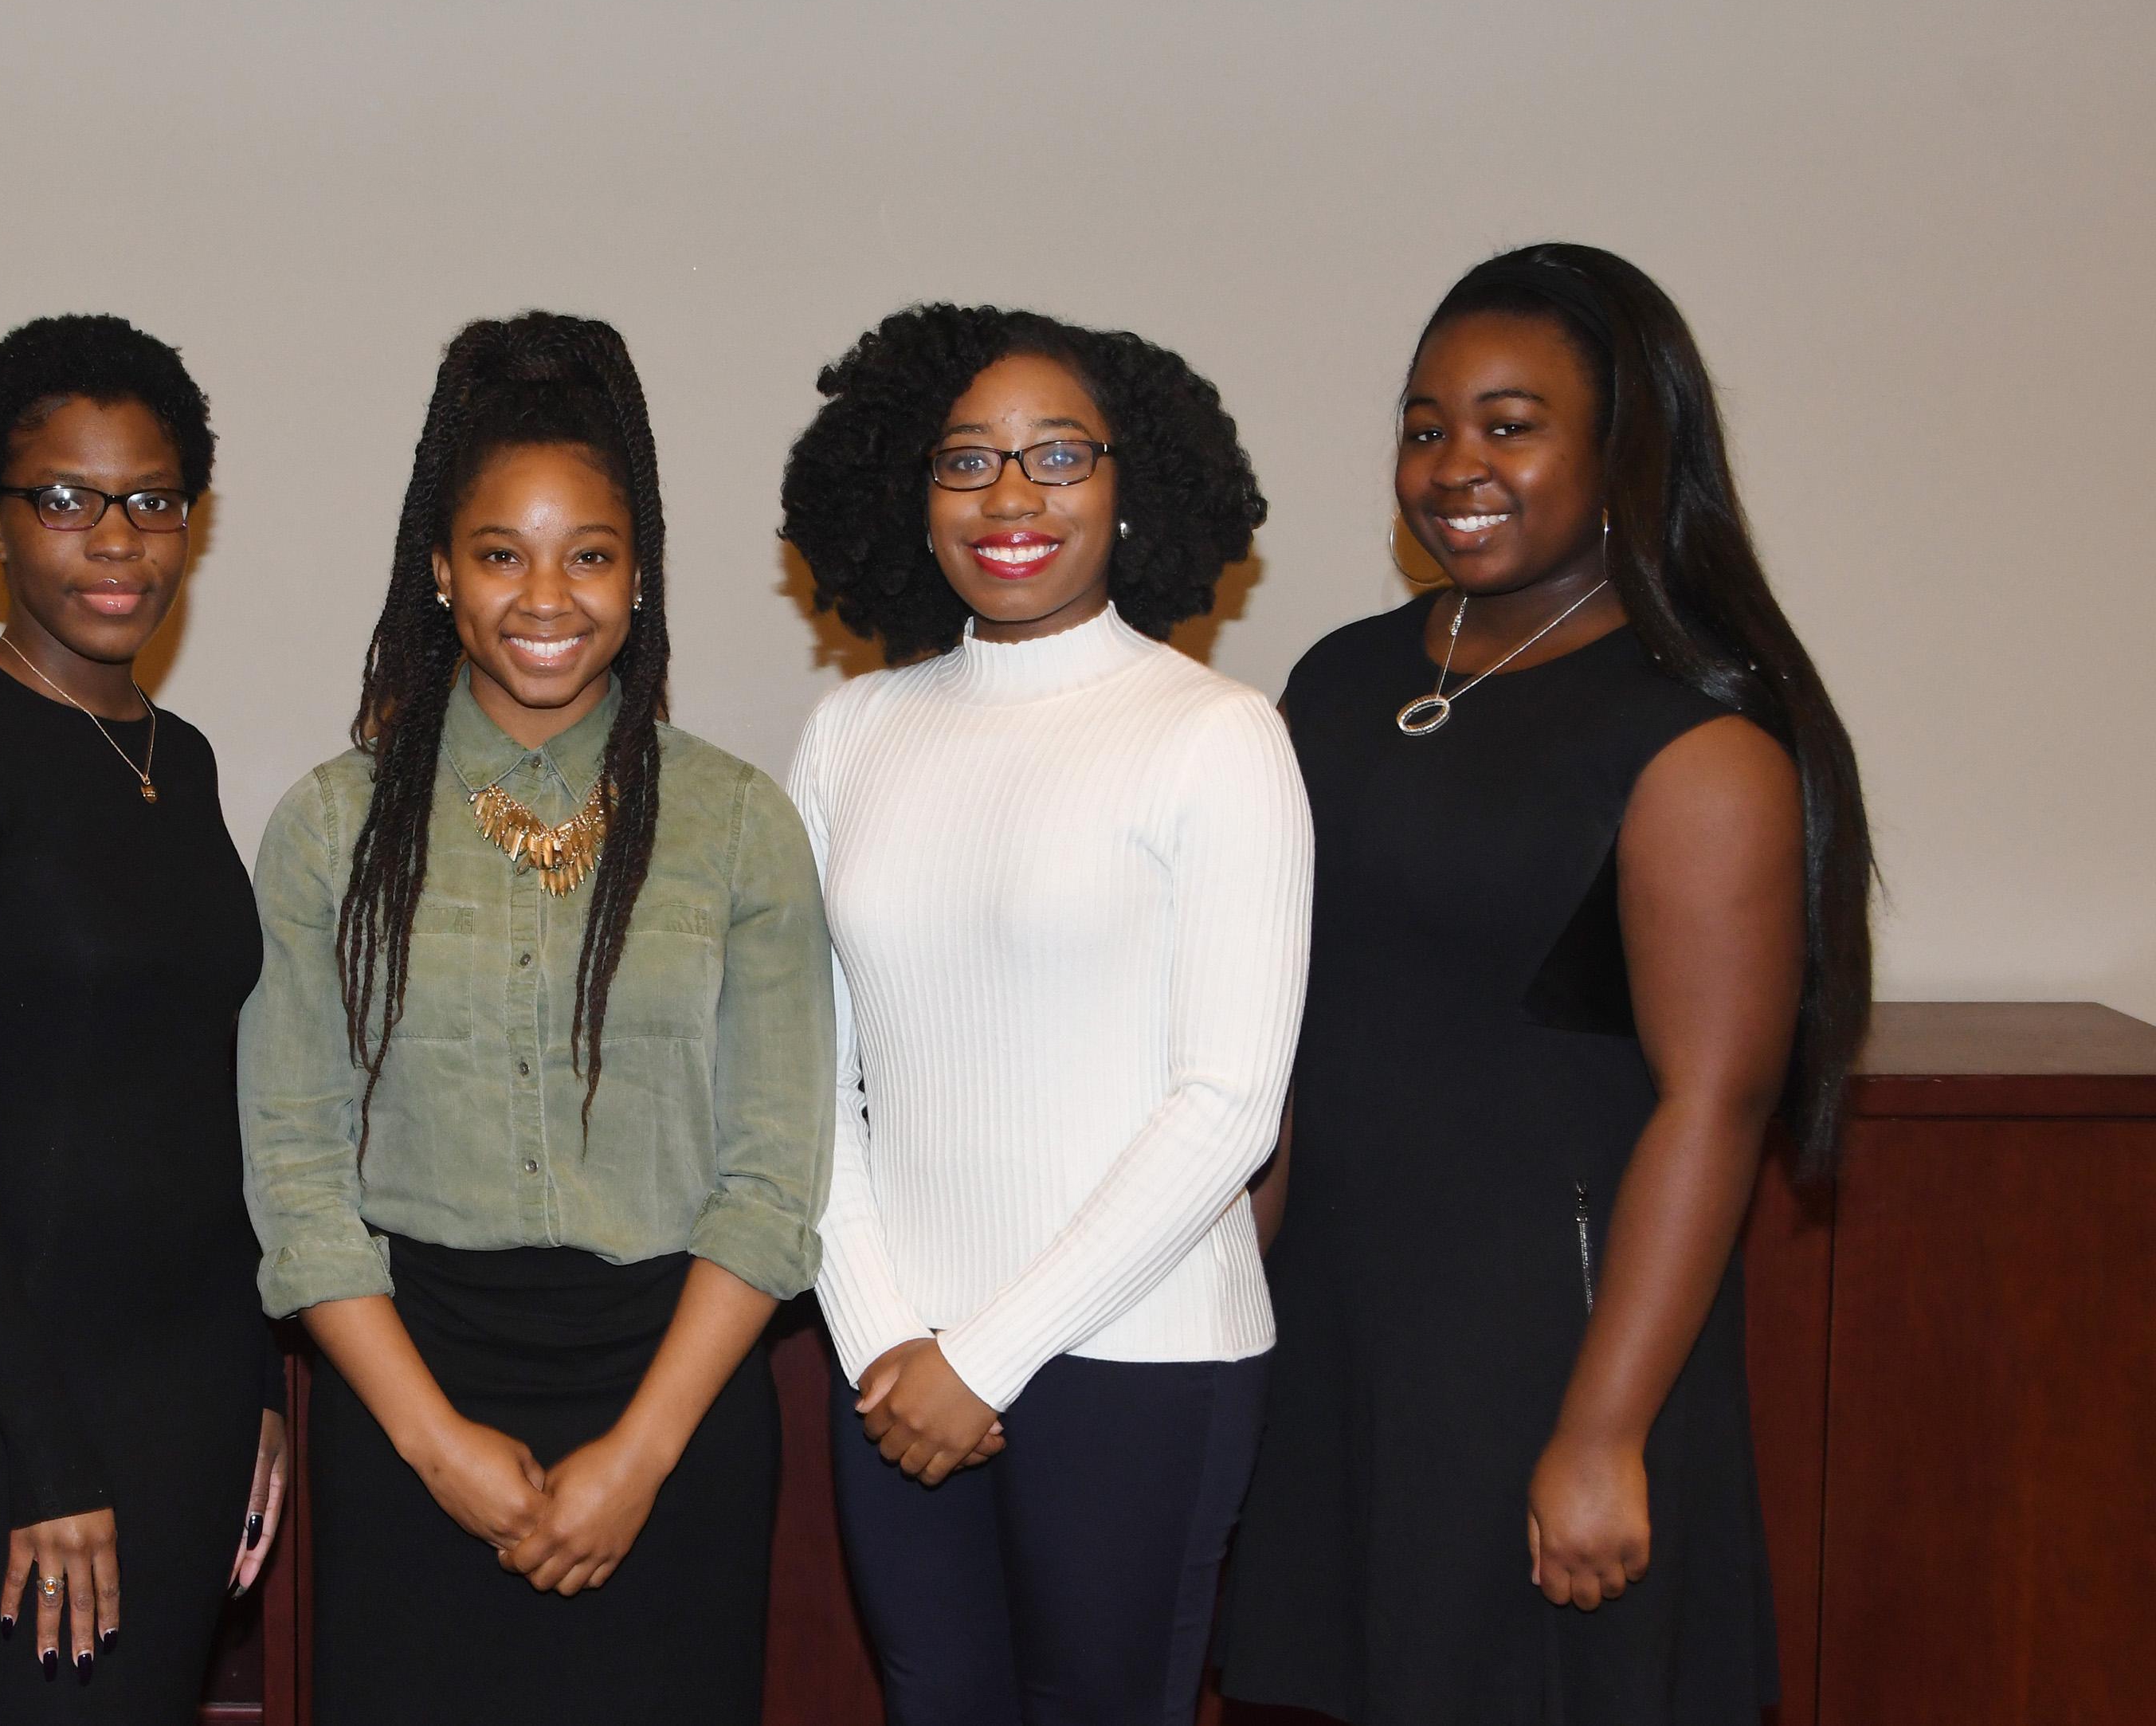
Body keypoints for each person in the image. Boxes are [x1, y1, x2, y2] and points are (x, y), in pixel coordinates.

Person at [1215, 243, 1873, 1725]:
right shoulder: (1334, 681)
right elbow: (1284, 1029)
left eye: (1512, 425)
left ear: (1625, 447)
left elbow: (1715, 1104)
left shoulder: (1693, 742)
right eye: (1425, 422)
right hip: (1335, 1326)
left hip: (1546, 1348)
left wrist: (1603, 1429)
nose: (1456, 463)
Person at [237, 312, 834, 1725]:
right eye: (501, 552)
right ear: (441, 571)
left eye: (590, 554)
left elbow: (771, 1182)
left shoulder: (739, 824)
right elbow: (300, 1176)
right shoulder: (330, 827)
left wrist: (641, 1455)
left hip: (676, 1417)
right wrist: (436, 1447)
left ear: (639, 575)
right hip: (407, 1405)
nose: (544, 594)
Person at [776, 305, 1311, 1725]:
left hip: (1141, 1360)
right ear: (910, 490)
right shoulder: (851, 736)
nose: (1012, 499)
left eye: (1057, 456)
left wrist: (983, 1357)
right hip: (890, 1360)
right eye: (968, 462)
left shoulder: (1218, 737)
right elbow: (804, 1075)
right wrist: (884, 1333)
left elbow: (1229, 1105)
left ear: (1133, 484)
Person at [0, 316, 288, 1720]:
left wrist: (263, 1382)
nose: (116, 538)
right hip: (11, 1399)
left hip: (195, 1386)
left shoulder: (185, 758)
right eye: (66, 498)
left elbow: (203, 1100)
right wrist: (45, 1457)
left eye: (154, 500)